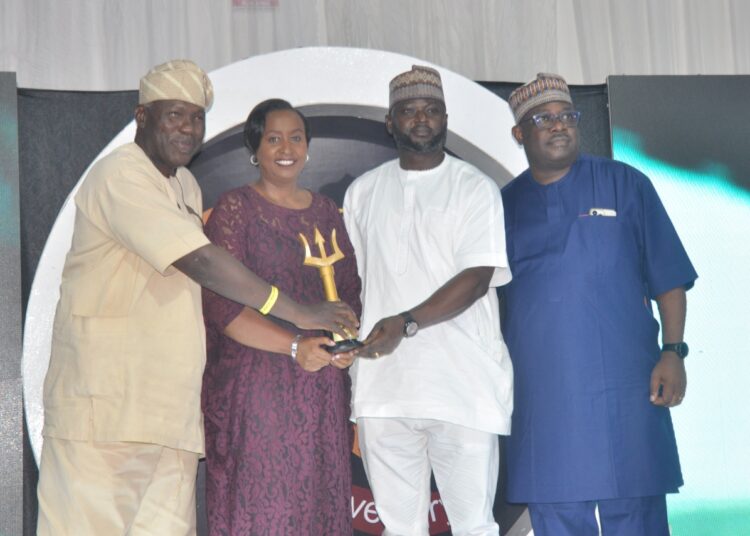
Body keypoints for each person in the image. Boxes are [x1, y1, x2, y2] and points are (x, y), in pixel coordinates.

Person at [36, 61, 357, 536]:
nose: (187, 128)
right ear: (141, 116)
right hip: (103, 411)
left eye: (196, 118)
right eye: (173, 115)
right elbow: (202, 263)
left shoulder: (184, 185)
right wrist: (300, 314)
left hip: (169, 416)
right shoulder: (121, 173)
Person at [501, 73, 698, 536]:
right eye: (543, 119)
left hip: (628, 391)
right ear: (519, 134)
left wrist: (675, 351)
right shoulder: (501, 206)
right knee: (557, 515)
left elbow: (668, 277)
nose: (558, 126)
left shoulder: (626, 184)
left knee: (636, 515)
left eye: (567, 116)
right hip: (543, 400)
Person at [343, 65, 513, 536]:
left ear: (445, 118)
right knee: (400, 530)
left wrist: (407, 321)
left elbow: (478, 277)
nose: (421, 119)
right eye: (409, 111)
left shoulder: (474, 188)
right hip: (383, 390)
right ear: (390, 123)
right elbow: (357, 283)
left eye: (431, 110)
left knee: (474, 527)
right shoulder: (363, 193)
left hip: (463, 386)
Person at [201, 98, 361, 534]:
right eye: (274, 138)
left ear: (308, 147)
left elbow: (348, 293)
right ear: (255, 148)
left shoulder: (327, 212)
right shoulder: (235, 210)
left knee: (319, 507)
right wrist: (293, 345)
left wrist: (345, 345)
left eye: (296, 137)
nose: (286, 147)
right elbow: (220, 307)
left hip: (320, 391)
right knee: (262, 510)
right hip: (255, 391)